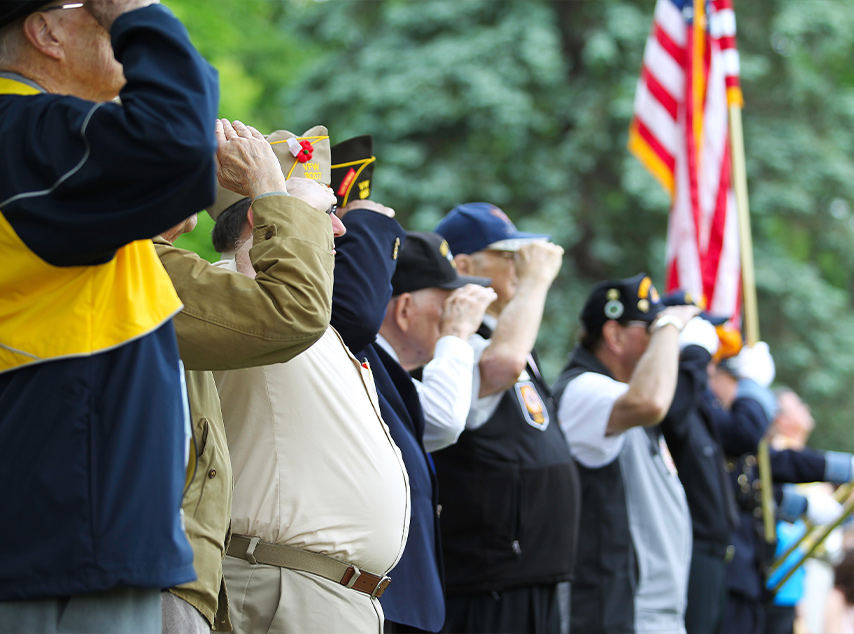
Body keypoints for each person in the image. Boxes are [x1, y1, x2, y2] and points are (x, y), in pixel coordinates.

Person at [0, 0, 218, 631]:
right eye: (96, 10)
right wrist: (135, 9)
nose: (118, 23)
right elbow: (177, 142)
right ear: (45, 31)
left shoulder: (33, 140)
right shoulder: (23, 128)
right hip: (63, 536)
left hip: (68, 527)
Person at [211, 131, 411, 634]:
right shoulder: (238, 292)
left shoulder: (298, 308)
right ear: (266, 217)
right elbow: (262, 286)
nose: (341, 229)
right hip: (282, 586)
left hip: (316, 591)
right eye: (325, 212)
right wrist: (284, 204)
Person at [155, 120, 336, 633]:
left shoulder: (141, 262)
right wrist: (269, 191)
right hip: (149, 569)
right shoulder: (127, 264)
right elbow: (292, 312)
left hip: (169, 570)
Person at [433, 202, 579, 634]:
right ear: (463, 265)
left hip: (531, 571)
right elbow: (500, 366)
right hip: (489, 577)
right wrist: (536, 282)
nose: (521, 266)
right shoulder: (457, 341)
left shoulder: (507, 336)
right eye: (508, 255)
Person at [552, 274, 699, 634]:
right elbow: (650, 401)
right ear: (614, 336)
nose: (665, 341)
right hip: (616, 612)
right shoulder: (584, 389)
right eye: (651, 329)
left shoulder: (621, 395)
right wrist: (670, 325)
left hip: (647, 612)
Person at [378, 231, 497, 452]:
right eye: (449, 306)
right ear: (404, 310)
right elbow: (443, 422)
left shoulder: (383, 366)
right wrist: (455, 331)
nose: (455, 315)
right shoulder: (368, 366)